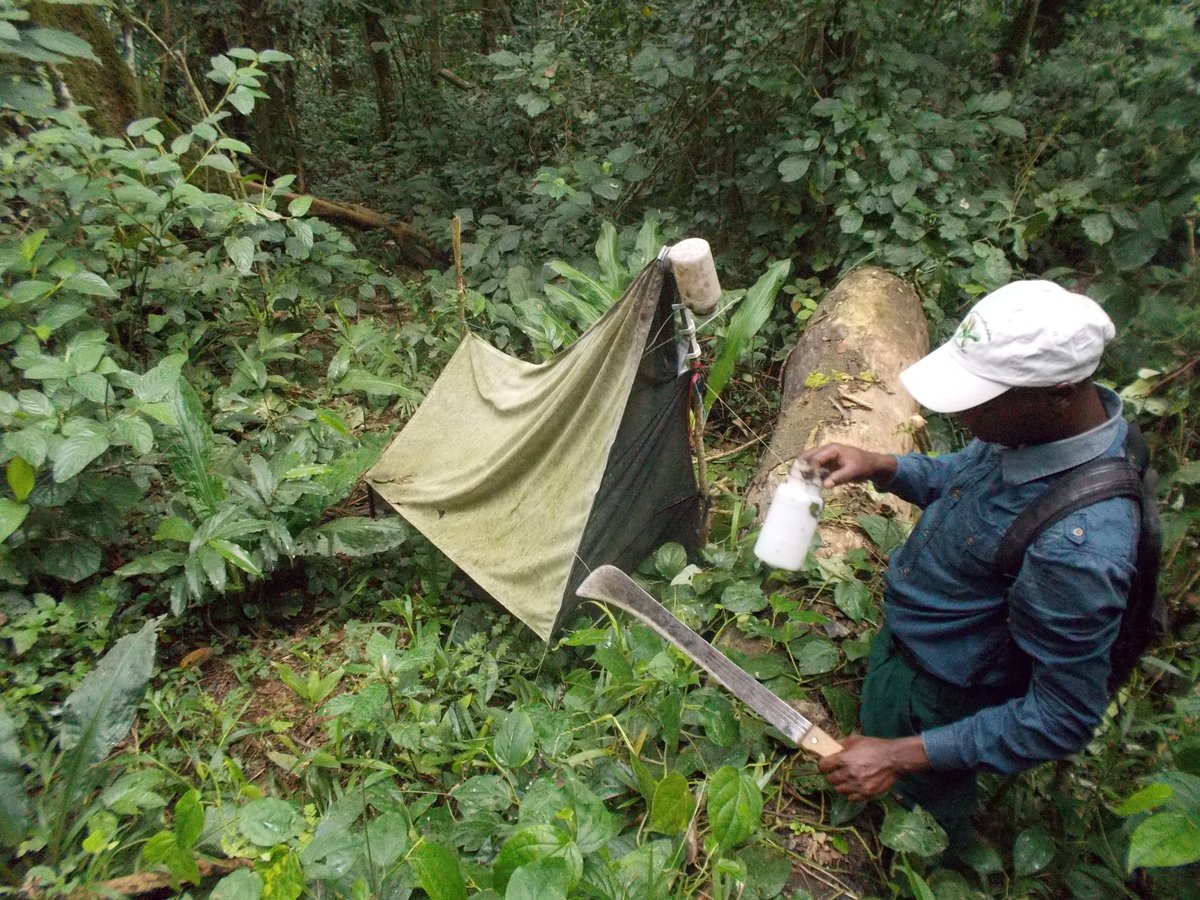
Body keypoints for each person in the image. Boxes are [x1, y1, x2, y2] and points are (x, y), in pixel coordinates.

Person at [801, 280, 1138, 855]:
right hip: (907, 656)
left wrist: (900, 755)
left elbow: (1062, 715)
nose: (957, 412)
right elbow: (963, 478)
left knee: (920, 835)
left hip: (947, 704)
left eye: (980, 398)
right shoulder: (1031, 429)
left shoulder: (1078, 550)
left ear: (1057, 393)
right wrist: (883, 464)